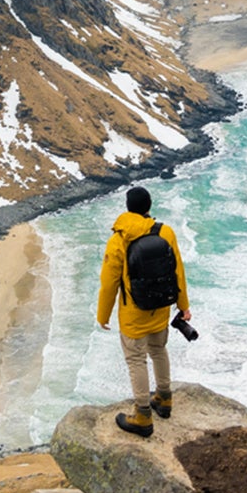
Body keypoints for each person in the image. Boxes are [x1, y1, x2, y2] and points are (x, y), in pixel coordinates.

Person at [97, 185, 191, 437]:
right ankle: (164, 397)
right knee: (159, 350)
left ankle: (142, 415)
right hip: (160, 307)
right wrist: (183, 306)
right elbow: (177, 271)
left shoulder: (119, 239)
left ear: (128, 209)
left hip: (134, 314)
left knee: (136, 360)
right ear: (148, 207)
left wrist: (103, 315)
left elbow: (109, 283)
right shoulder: (166, 232)